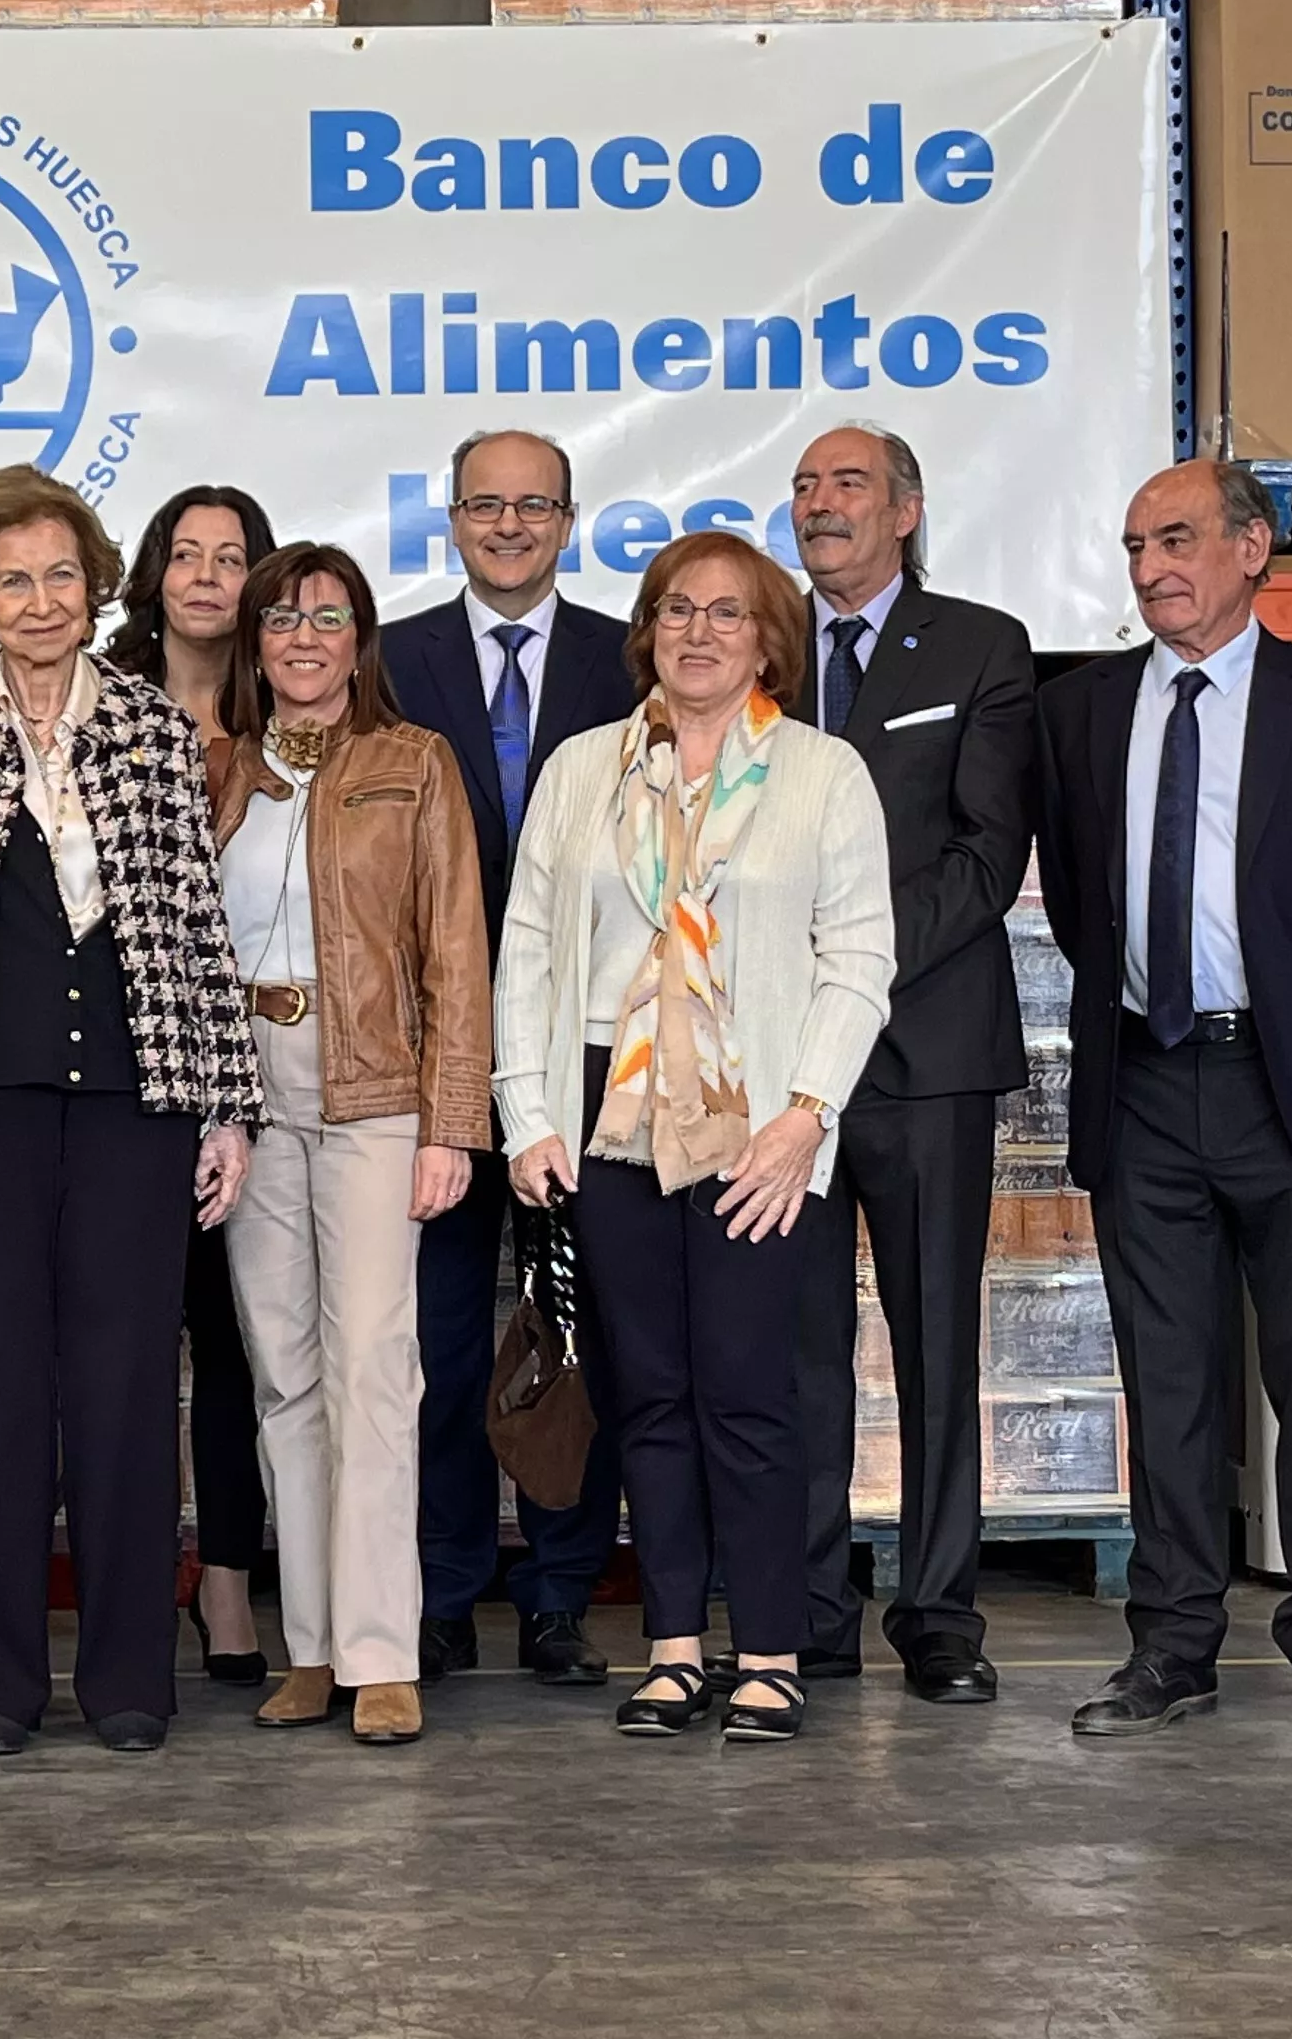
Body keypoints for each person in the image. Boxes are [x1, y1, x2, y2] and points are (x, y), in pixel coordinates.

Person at [0, 467, 262, 1758]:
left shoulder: (147, 726)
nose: (38, 602)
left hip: (139, 1107)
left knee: (132, 1388)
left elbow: (196, 930)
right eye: (11, 581)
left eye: (60, 577)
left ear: (94, 590)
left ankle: (132, 1678)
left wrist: (225, 1108)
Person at [1033, 461, 1292, 1749]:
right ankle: (1174, 1644)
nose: (1155, 566)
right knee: (1169, 1378)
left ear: (1255, 547)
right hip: (1144, 1081)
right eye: (1138, 541)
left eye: (1183, 538)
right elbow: (1084, 894)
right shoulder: (1081, 711)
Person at [494, 531, 893, 1747]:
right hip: (607, 1127)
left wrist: (803, 1116)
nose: (699, 631)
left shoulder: (824, 774)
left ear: (770, 637)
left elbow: (861, 959)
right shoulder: (582, 769)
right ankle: (673, 1648)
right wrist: (527, 1113)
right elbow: (531, 948)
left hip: (756, 1134)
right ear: (648, 631)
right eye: (676, 609)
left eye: (727, 613)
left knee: (751, 1398)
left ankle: (768, 1649)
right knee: (648, 1397)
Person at [206, 543, 489, 1747]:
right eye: (282, 618)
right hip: (246, 1089)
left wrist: (453, 1121)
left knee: (375, 1363)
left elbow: (455, 951)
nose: (304, 637)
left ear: (360, 636)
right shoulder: (216, 768)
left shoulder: (413, 763)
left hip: (372, 1083)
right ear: (255, 640)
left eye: (328, 617)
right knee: (284, 1371)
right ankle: (312, 1644)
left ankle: (383, 1649)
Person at [782, 426, 1037, 1702]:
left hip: (924, 1047)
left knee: (938, 1344)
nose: (822, 506)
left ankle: (939, 1611)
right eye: (807, 487)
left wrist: (855, 968)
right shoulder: (759, 645)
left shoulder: (982, 645)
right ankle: (810, 1604)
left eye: (848, 486)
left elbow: (989, 855)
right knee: (794, 1344)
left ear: (907, 509)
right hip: (777, 1070)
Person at [383, 430, 636, 1687]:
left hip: (581, 1057)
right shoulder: (391, 659)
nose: (509, 523)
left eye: (534, 503)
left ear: (569, 519)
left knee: (569, 1332)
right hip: (427, 1063)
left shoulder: (626, 660)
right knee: (433, 1339)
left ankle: (556, 1592)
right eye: (485, 501)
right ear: (453, 517)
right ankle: (436, 1588)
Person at [102, 482, 277, 1684]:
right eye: (187, 553)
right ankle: (121, 1573)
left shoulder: (299, 707)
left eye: (233, 556)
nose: (208, 575)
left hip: (256, 1067)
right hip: (111, 1066)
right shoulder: (97, 705)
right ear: (153, 571)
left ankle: (225, 1581)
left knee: (234, 1332)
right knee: (112, 1341)